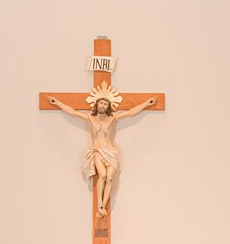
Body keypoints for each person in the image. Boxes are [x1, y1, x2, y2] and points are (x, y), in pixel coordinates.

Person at [44, 86, 159, 218]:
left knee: (110, 178)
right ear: (97, 104)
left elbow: (130, 113)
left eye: (105, 104)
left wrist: (145, 104)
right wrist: (58, 103)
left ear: (108, 106)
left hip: (111, 152)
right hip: (98, 151)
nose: (103, 105)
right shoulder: (90, 118)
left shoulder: (112, 118)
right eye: (101, 103)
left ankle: (102, 206)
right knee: (102, 175)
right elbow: (73, 113)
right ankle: (99, 202)